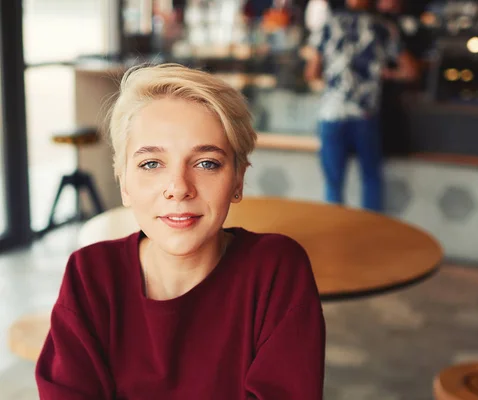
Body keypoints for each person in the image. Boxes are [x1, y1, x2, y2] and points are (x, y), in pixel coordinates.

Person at [35, 63, 326, 399]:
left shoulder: (276, 270)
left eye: (206, 163)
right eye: (151, 164)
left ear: (238, 180)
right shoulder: (91, 276)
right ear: (124, 182)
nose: (178, 188)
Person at [304, 0, 418, 212]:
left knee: (333, 185)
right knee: (371, 180)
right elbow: (410, 71)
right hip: (365, 113)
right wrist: (388, 74)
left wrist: (334, 78)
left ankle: (334, 236)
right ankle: (370, 240)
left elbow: (311, 73)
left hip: (332, 112)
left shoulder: (328, 25)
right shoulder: (383, 27)